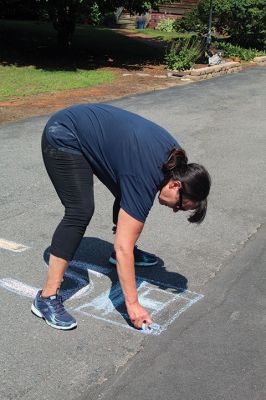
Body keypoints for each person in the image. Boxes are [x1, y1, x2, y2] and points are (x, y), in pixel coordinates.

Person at [31, 104, 211, 331]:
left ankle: (117, 258)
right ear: (176, 185)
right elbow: (123, 246)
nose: (174, 210)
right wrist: (133, 305)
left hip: (85, 129)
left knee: (128, 198)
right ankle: (46, 298)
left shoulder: (174, 161)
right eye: (179, 205)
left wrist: (125, 250)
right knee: (80, 210)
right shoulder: (146, 174)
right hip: (63, 134)